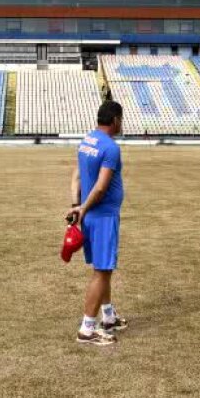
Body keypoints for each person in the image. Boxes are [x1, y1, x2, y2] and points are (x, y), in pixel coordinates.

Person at [66, 100, 127, 346]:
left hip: (90, 214)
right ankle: (87, 328)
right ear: (115, 120)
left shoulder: (87, 140)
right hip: (102, 216)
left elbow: (77, 176)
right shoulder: (110, 147)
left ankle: (109, 316)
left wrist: (76, 206)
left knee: (104, 268)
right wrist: (84, 208)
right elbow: (101, 187)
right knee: (101, 271)